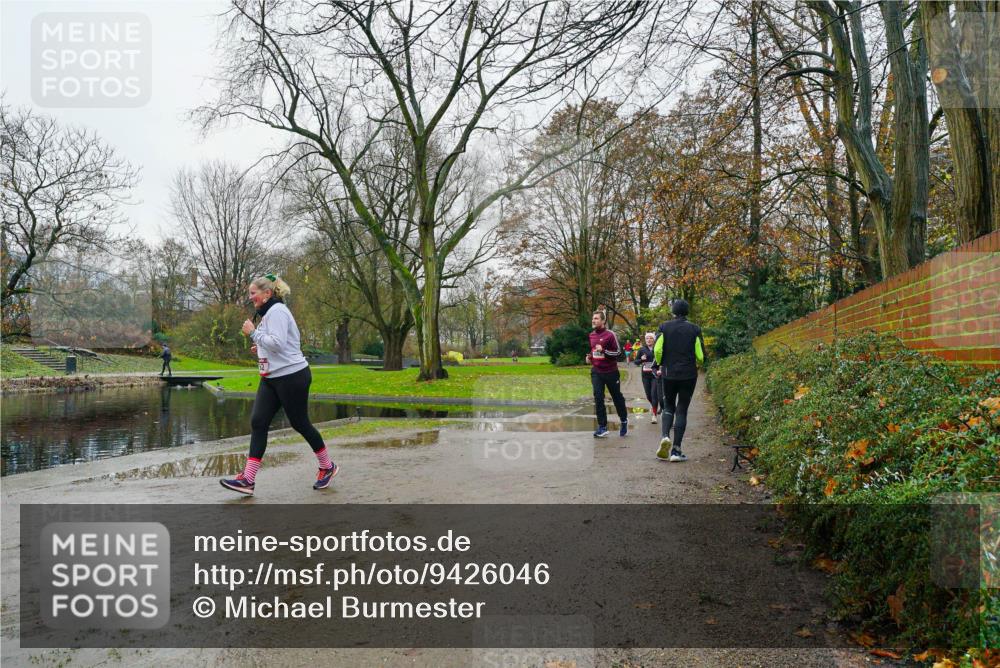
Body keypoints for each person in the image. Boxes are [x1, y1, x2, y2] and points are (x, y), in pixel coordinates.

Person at [220, 274, 339, 496]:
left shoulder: (277, 312)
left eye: (253, 293)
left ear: (267, 294)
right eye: (249, 294)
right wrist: (260, 347)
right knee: (258, 422)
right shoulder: (267, 314)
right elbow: (274, 344)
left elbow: (278, 343)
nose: (250, 298)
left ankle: (327, 466)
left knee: (300, 423)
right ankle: (248, 479)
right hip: (271, 377)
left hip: (291, 376)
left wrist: (253, 334)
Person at [652, 299, 705, 462]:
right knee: (682, 409)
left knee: (668, 406)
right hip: (688, 374)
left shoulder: (664, 327)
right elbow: (701, 355)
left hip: (668, 373)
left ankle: (665, 436)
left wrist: (661, 363)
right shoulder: (695, 329)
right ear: (687, 312)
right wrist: (698, 362)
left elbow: (657, 349)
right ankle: (676, 450)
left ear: (673, 312)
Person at [586, 310, 628, 438]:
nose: (594, 320)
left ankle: (624, 420)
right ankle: (602, 426)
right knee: (598, 397)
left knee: (616, 397)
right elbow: (594, 351)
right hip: (597, 372)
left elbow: (618, 353)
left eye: (596, 318)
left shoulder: (610, 335)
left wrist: (604, 350)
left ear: (603, 321)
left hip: (611, 372)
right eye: (593, 318)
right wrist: (590, 358)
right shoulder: (591, 335)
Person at [634, 332, 660, 424]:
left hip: (655, 375)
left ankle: (654, 415)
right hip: (645, 375)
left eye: (651, 338)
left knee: (654, 394)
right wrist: (641, 359)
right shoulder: (642, 349)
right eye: (647, 338)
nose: (649, 340)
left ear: (654, 340)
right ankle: (654, 406)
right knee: (648, 395)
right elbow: (636, 362)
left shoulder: (658, 348)